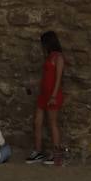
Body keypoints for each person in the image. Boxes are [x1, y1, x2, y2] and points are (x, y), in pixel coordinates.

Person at [29, 31, 66, 164]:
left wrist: (54, 95)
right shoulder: (49, 56)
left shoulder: (58, 57)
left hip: (52, 95)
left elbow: (58, 78)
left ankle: (57, 155)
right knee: (37, 123)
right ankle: (38, 151)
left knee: (52, 123)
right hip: (43, 95)